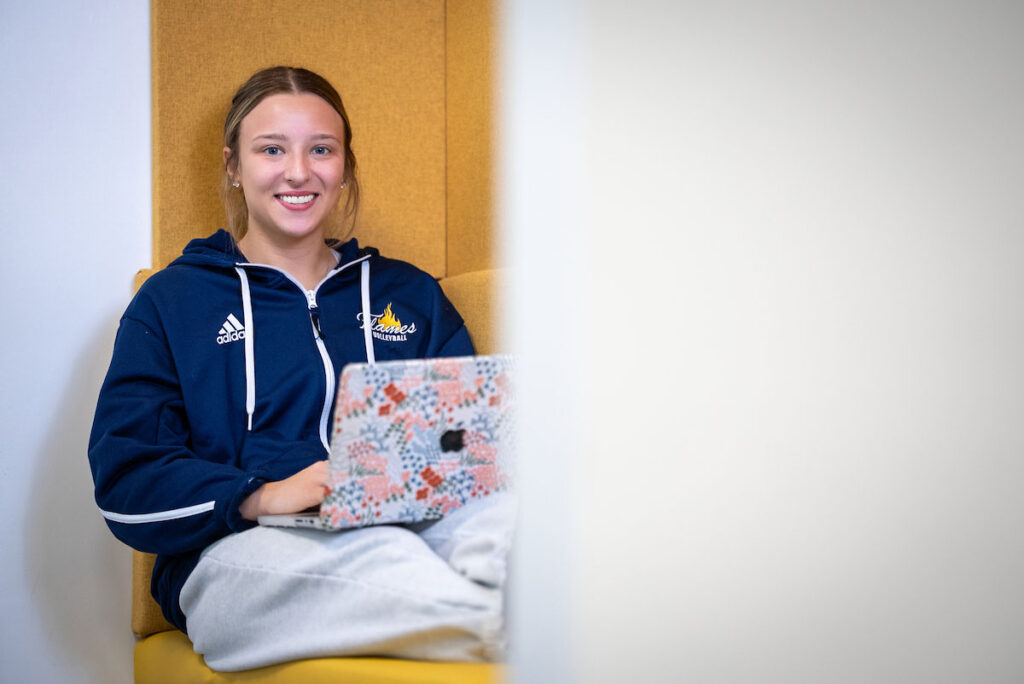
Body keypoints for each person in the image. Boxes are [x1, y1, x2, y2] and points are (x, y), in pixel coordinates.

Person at [88, 66, 511, 671]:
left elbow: (473, 448)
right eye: (271, 150)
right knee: (385, 565)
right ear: (233, 165)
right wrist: (262, 496)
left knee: (516, 528)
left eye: (321, 149)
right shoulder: (171, 302)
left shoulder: (409, 293)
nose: (298, 171)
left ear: (345, 167)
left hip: (412, 528)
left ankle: (534, 616)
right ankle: (543, 628)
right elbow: (127, 480)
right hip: (242, 551)